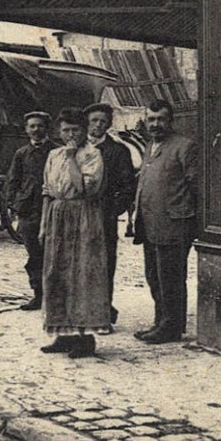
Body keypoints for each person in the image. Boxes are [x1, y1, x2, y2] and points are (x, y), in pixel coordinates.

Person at [40, 107, 109, 359]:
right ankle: (63, 332)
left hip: (82, 217)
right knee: (56, 273)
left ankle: (83, 338)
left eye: (75, 130)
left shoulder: (92, 155)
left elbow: (83, 189)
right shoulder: (53, 155)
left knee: (81, 275)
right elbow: (47, 189)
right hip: (57, 216)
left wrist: (71, 158)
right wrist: (44, 225)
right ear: (59, 131)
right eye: (65, 130)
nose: (70, 135)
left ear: (84, 131)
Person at [133, 99, 197, 344]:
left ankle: (171, 326)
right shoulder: (150, 146)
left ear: (171, 121)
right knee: (154, 276)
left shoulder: (185, 147)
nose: (156, 124)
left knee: (170, 278)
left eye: (161, 119)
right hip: (150, 225)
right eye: (151, 119)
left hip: (174, 225)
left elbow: (196, 187)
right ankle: (161, 322)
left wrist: (191, 222)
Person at [87, 103, 137, 331]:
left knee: (104, 264)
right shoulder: (75, 148)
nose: (98, 125)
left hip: (102, 216)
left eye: (103, 121)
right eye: (94, 120)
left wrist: (111, 210)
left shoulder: (118, 151)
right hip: (75, 217)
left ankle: (103, 315)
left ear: (109, 124)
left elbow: (128, 187)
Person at [3, 110, 55, 311]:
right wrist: (15, 203)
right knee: (33, 254)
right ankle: (38, 295)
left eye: (40, 126)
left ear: (46, 128)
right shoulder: (22, 153)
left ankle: (54, 296)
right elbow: (12, 180)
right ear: (26, 130)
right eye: (32, 126)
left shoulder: (55, 151)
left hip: (50, 210)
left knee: (52, 255)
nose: (36, 130)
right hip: (28, 212)